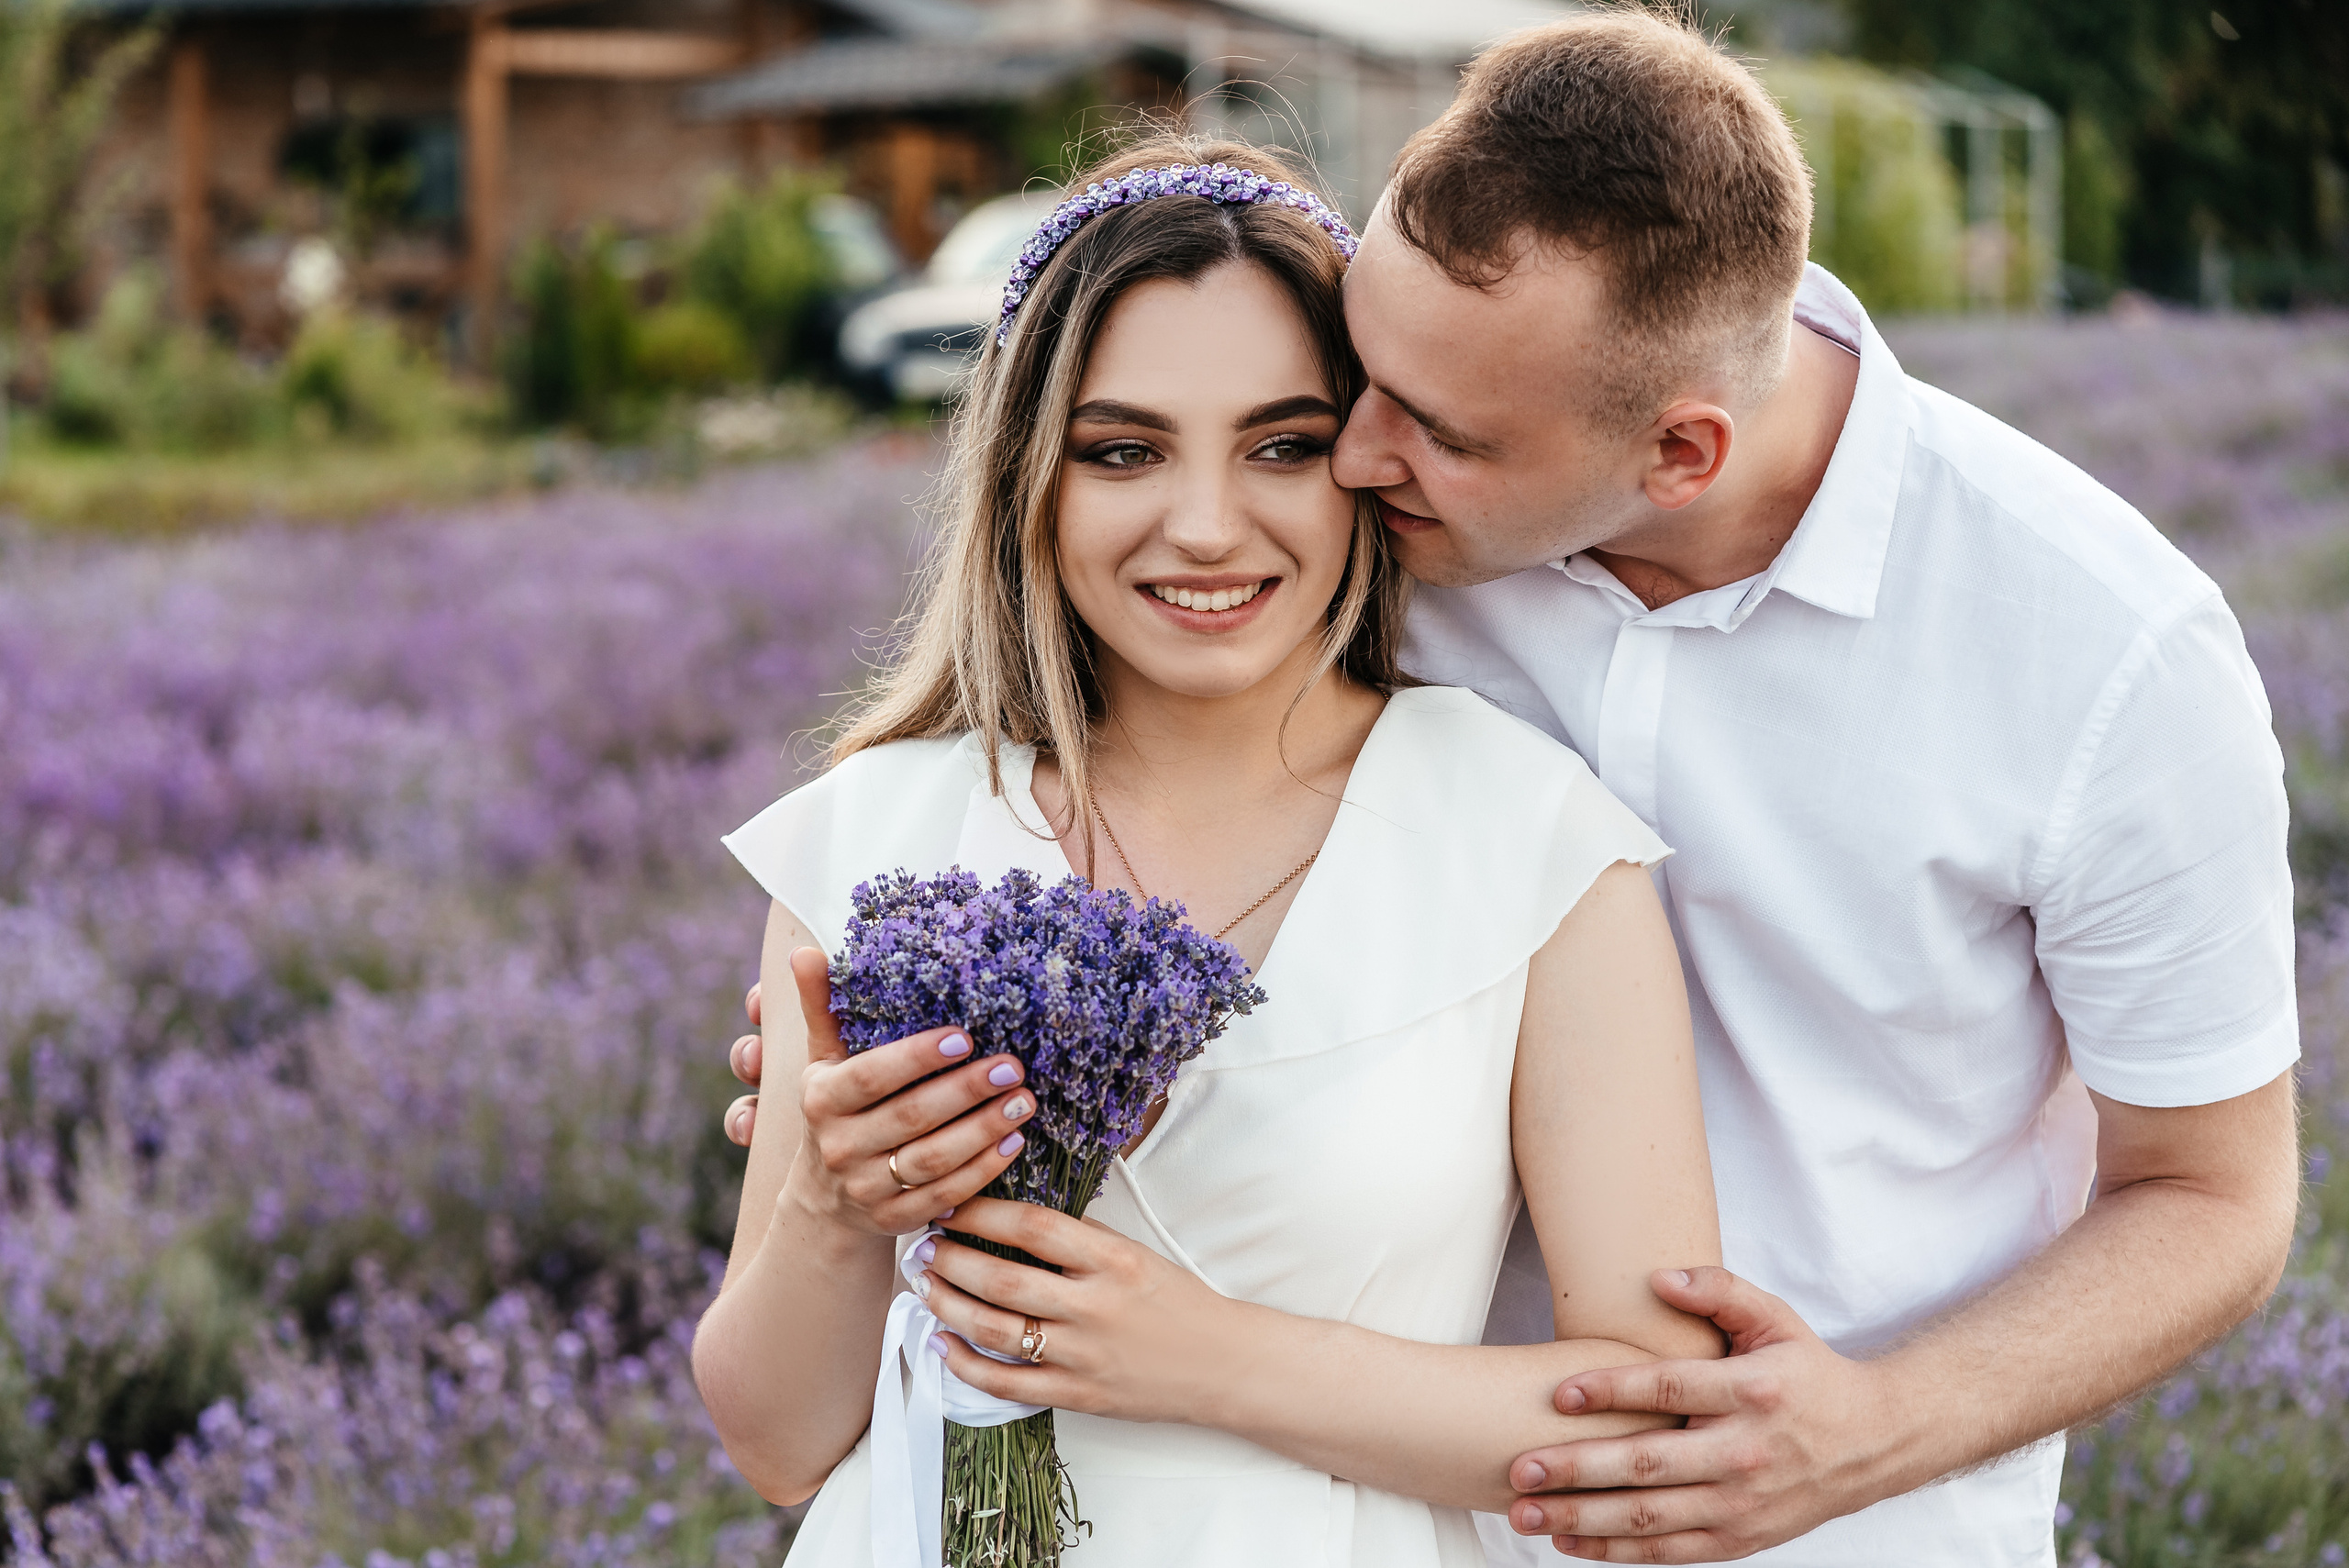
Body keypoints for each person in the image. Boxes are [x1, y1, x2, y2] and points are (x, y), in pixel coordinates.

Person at [724, 11, 2304, 1565]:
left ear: (1677, 456)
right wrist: (840, 1145)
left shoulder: (2101, 656)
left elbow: (2213, 1196)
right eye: (1362, 371)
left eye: (1414, 427)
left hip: (1838, 1515)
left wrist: (1864, 1426)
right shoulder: (1371, 546)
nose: (1351, 456)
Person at [692, 134, 1725, 1567]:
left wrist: (1200, 1358)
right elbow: (774, 1441)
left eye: (1282, 446)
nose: (1204, 525)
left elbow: (1654, 1428)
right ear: (1028, 475)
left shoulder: (1535, 841)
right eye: (1124, 450)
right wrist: (832, 1201)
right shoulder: (884, 830)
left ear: (1366, 456)